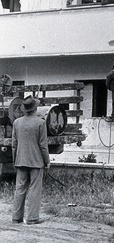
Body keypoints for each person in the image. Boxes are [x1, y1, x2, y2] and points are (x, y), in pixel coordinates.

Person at [12, 95, 50, 225]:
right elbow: (43, 145)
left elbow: (14, 144)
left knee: (20, 188)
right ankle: (32, 218)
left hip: (20, 160)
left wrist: (14, 160)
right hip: (36, 161)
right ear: (35, 108)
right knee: (34, 189)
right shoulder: (41, 123)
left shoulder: (17, 123)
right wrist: (47, 161)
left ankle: (16, 217)